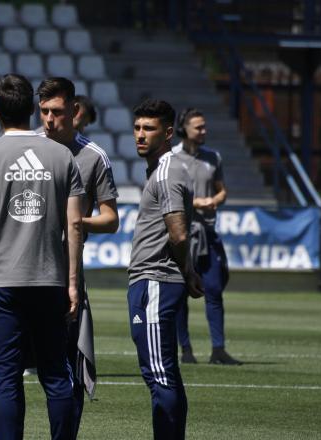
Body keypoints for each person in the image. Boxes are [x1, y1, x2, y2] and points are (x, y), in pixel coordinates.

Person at [0, 73, 84, 440]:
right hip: (49, 280)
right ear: (33, 109)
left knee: (5, 376)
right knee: (57, 373)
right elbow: (73, 226)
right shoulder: (62, 156)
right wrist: (72, 284)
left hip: (0, 282)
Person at [37, 78, 119, 438]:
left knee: (68, 368)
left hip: (67, 275)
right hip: (24, 271)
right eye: (43, 112)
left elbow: (111, 219)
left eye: (56, 112)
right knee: (8, 372)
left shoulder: (93, 156)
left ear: (74, 112)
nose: (49, 119)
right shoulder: (29, 149)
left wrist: (76, 221)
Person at [127, 99, 204, 440]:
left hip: (156, 280)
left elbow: (179, 232)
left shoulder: (168, 172)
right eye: (138, 128)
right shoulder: (161, 169)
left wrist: (186, 273)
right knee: (165, 373)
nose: (140, 135)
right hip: (155, 281)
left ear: (169, 133)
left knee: (158, 375)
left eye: (149, 129)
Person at [173, 108, 242, 365]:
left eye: (204, 126)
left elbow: (222, 191)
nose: (203, 131)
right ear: (184, 128)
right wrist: (194, 202)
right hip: (183, 234)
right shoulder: (172, 158)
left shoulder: (213, 157)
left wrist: (214, 200)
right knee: (180, 293)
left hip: (208, 232)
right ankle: (186, 350)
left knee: (214, 289)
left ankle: (218, 349)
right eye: (198, 127)